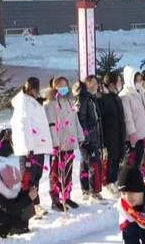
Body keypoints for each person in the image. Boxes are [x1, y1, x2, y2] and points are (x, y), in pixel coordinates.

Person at [9, 77, 53, 215]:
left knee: (36, 176)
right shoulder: (23, 103)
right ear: (31, 89)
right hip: (30, 148)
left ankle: (35, 204)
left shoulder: (33, 101)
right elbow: (22, 126)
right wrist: (27, 147)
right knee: (28, 178)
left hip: (37, 146)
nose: (37, 92)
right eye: (36, 89)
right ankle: (26, 207)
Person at [43, 75, 84, 211]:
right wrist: (55, 143)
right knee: (56, 172)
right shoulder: (50, 104)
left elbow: (75, 121)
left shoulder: (68, 102)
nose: (63, 88)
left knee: (68, 171)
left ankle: (66, 196)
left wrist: (80, 135)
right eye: (60, 85)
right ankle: (55, 199)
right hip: (59, 144)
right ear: (55, 87)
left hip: (69, 142)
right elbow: (51, 125)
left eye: (65, 85)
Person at [0, 164, 36, 241]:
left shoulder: (2, 184)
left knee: (25, 204)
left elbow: (15, 197)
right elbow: (11, 209)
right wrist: (28, 198)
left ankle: (18, 226)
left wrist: (27, 192)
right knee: (10, 216)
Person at [118, 66, 145, 181]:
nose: (138, 83)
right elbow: (127, 117)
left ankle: (136, 180)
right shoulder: (125, 95)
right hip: (133, 136)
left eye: (140, 80)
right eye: (136, 80)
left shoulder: (140, 93)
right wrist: (132, 133)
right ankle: (127, 181)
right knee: (130, 160)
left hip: (142, 132)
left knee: (139, 159)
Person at [76, 75, 106, 202]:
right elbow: (80, 119)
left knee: (91, 163)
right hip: (87, 138)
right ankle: (91, 190)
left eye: (96, 83)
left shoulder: (91, 98)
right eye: (93, 83)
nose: (96, 85)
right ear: (87, 84)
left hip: (94, 137)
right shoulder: (83, 98)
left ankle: (91, 189)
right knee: (90, 163)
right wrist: (85, 136)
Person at [97, 72, 127, 195]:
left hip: (118, 134)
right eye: (119, 82)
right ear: (111, 84)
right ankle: (109, 182)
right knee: (110, 159)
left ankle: (114, 180)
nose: (121, 84)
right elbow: (102, 121)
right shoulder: (103, 99)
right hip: (109, 136)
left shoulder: (116, 98)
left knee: (117, 158)